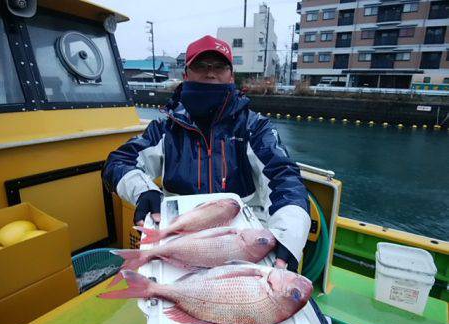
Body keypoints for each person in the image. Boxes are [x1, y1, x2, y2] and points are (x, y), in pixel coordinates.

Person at [102, 35, 310, 271]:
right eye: (201, 66)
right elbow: (118, 161)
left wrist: (287, 235)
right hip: (180, 242)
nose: (210, 73)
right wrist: (144, 191)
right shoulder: (165, 129)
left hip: (245, 244)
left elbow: (284, 177)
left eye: (219, 66)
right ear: (186, 74)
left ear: (231, 75)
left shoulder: (255, 127)